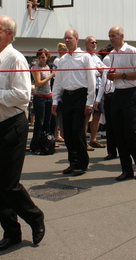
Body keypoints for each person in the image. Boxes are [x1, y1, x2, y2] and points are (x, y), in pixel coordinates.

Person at [0, 15, 45, 252]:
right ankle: (11, 232)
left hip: (11, 126)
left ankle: (35, 217)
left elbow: (23, 97)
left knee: (8, 185)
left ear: (9, 33)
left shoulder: (16, 59)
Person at [52, 30, 96, 176]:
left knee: (77, 132)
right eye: (65, 38)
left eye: (70, 38)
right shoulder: (62, 60)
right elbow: (58, 82)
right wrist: (55, 100)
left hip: (81, 95)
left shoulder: (85, 58)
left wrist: (90, 102)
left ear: (76, 39)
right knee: (68, 132)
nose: (67, 40)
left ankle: (82, 163)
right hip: (67, 97)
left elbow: (92, 81)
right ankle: (73, 162)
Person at [107, 26, 136, 181]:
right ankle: (126, 169)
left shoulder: (131, 51)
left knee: (130, 133)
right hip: (117, 93)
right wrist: (112, 76)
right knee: (118, 133)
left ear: (121, 36)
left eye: (114, 35)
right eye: (110, 36)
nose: (111, 38)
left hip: (131, 93)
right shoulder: (111, 54)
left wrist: (121, 75)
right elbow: (114, 74)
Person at [30, 49, 56, 154]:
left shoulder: (48, 67)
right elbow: (39, 83)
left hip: (48, 96)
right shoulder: (36, 68)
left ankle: (45, 143)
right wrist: (51, 75)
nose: (41, 59)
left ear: (47, 57)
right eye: (39, 57)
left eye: (43, 57)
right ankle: (35, 145)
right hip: (40, 97)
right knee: (39, 122)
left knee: (47, 122)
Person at [85, 36, 106, 150]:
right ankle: (83, 140)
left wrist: (99, 70)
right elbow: (92, 72)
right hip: (89, 89)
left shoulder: (97, 57)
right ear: (86, 44)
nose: (94, 44)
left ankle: (93, 139)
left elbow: (104, 70)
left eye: (96, 42)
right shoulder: (84, 57)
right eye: (92, 42)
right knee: (87, 114)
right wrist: (98, 70)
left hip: (99, 89)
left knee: (97, 114)